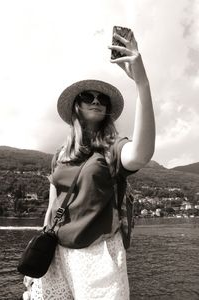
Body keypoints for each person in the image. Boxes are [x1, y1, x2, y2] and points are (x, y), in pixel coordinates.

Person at [25, 29, 155, 299]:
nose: (96, 101)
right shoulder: (60, 154)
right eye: (88, 97)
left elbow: (141, 155)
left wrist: (142, 84)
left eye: (102, 99)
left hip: (98, 256)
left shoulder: (113, 148)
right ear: (76, 106)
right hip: (58, 254)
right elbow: (51, 210)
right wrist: (38, 257)